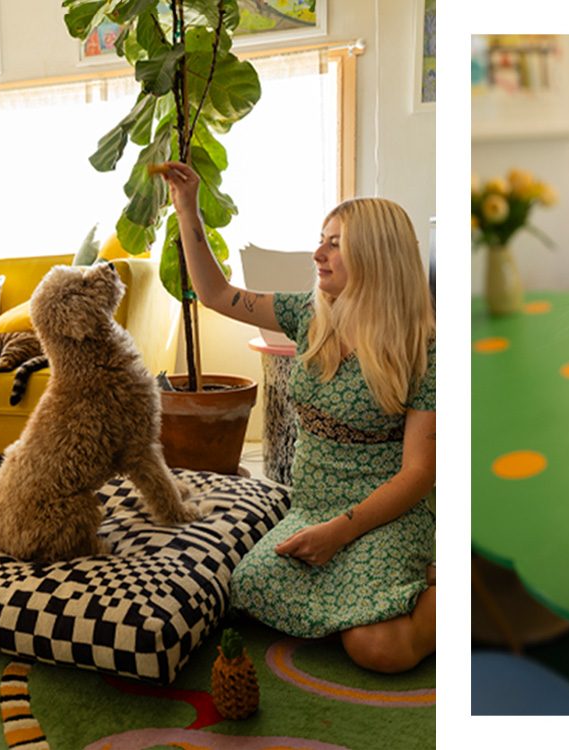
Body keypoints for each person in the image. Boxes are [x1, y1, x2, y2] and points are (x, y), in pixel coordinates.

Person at [161, 162, 436, 673]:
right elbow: (216, 294)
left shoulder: (425, 349)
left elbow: (420, 474)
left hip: (384, 513)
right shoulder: (306, 317)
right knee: (249, 589)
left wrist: (339, 534)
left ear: (376, 254)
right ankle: (374, 593)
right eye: (321, 239)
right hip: (312, 507)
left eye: (335, 243)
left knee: (375, 648)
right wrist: (187, 208)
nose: (318, 254)